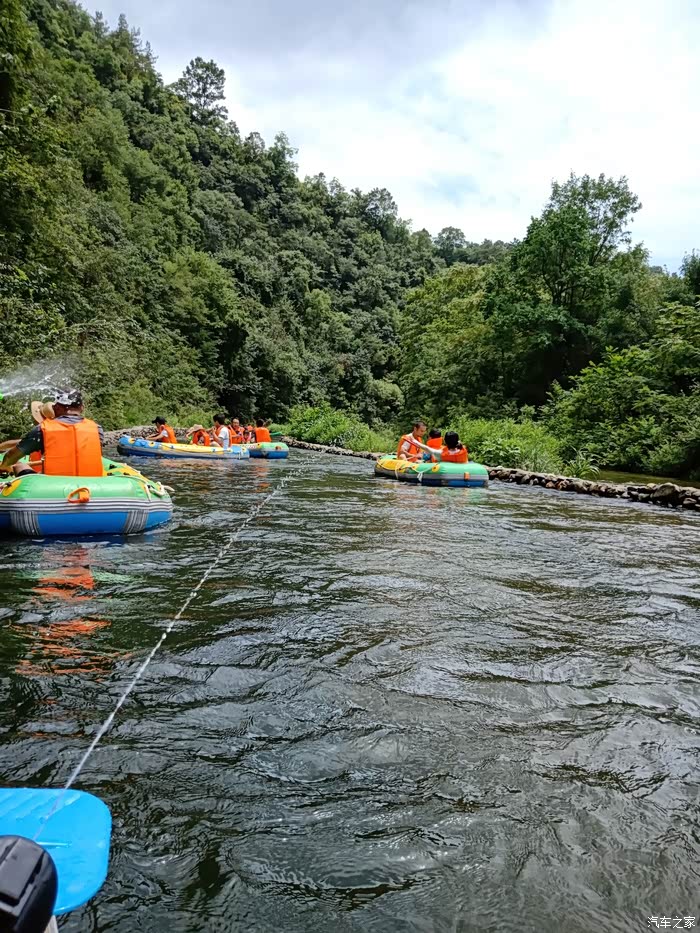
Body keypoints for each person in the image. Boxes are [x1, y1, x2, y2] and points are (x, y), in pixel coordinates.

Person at [0, 390, 104, 477]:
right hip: (92, 484)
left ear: (57, 408)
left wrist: (4, 466)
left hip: (53, 486)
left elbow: (11, 456)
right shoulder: (97, 429)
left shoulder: (42, 429)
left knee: (19, 465)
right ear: (82, 407)